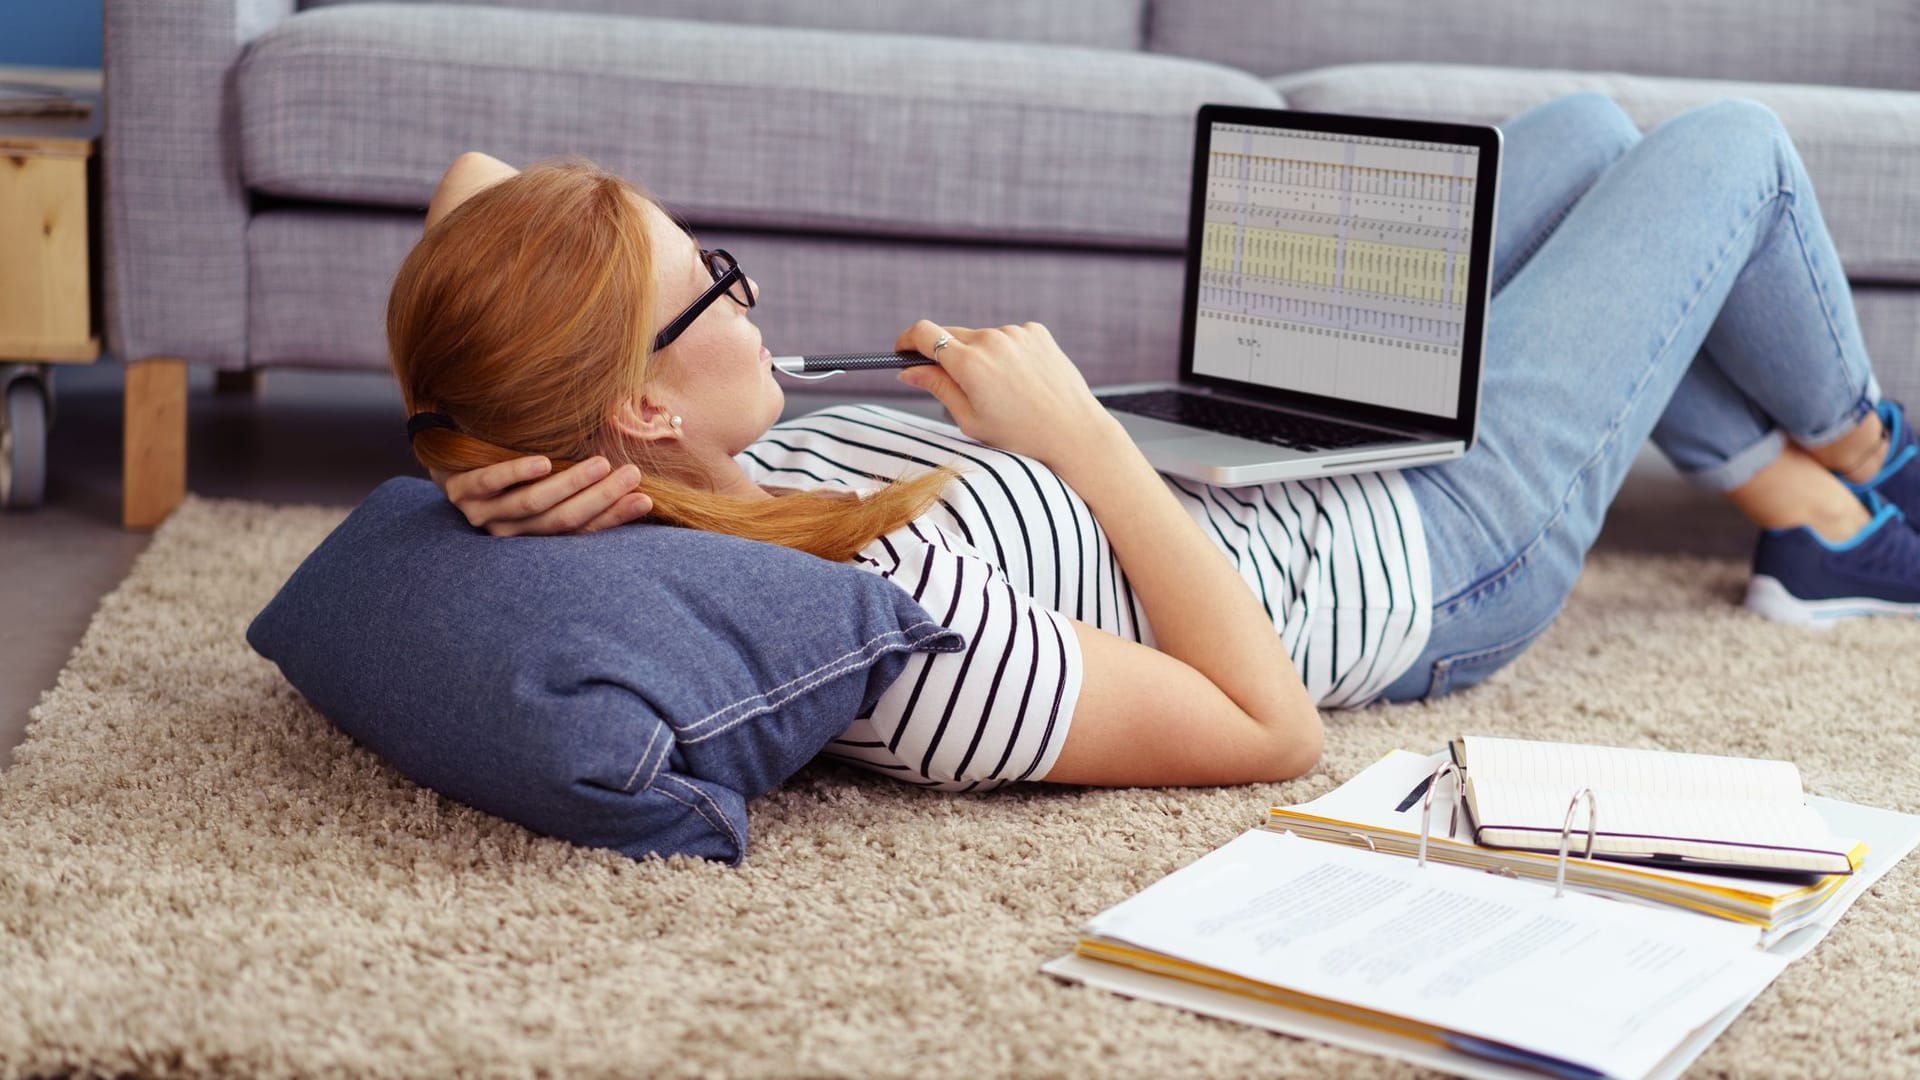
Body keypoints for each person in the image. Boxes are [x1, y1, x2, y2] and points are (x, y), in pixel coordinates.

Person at [392, 93, 1920, 792]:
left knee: (1587, 136)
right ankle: (1862, 456)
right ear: (642, 402)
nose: (751, 286)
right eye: (714, 282)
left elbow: (480, 188)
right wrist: (1081, 441)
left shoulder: (688, 477)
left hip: (1266, 477)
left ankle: (1797, 509)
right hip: (1419, 562)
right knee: (1728, 153)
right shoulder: (893, 635)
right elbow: (1270, 730)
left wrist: (465, 457)